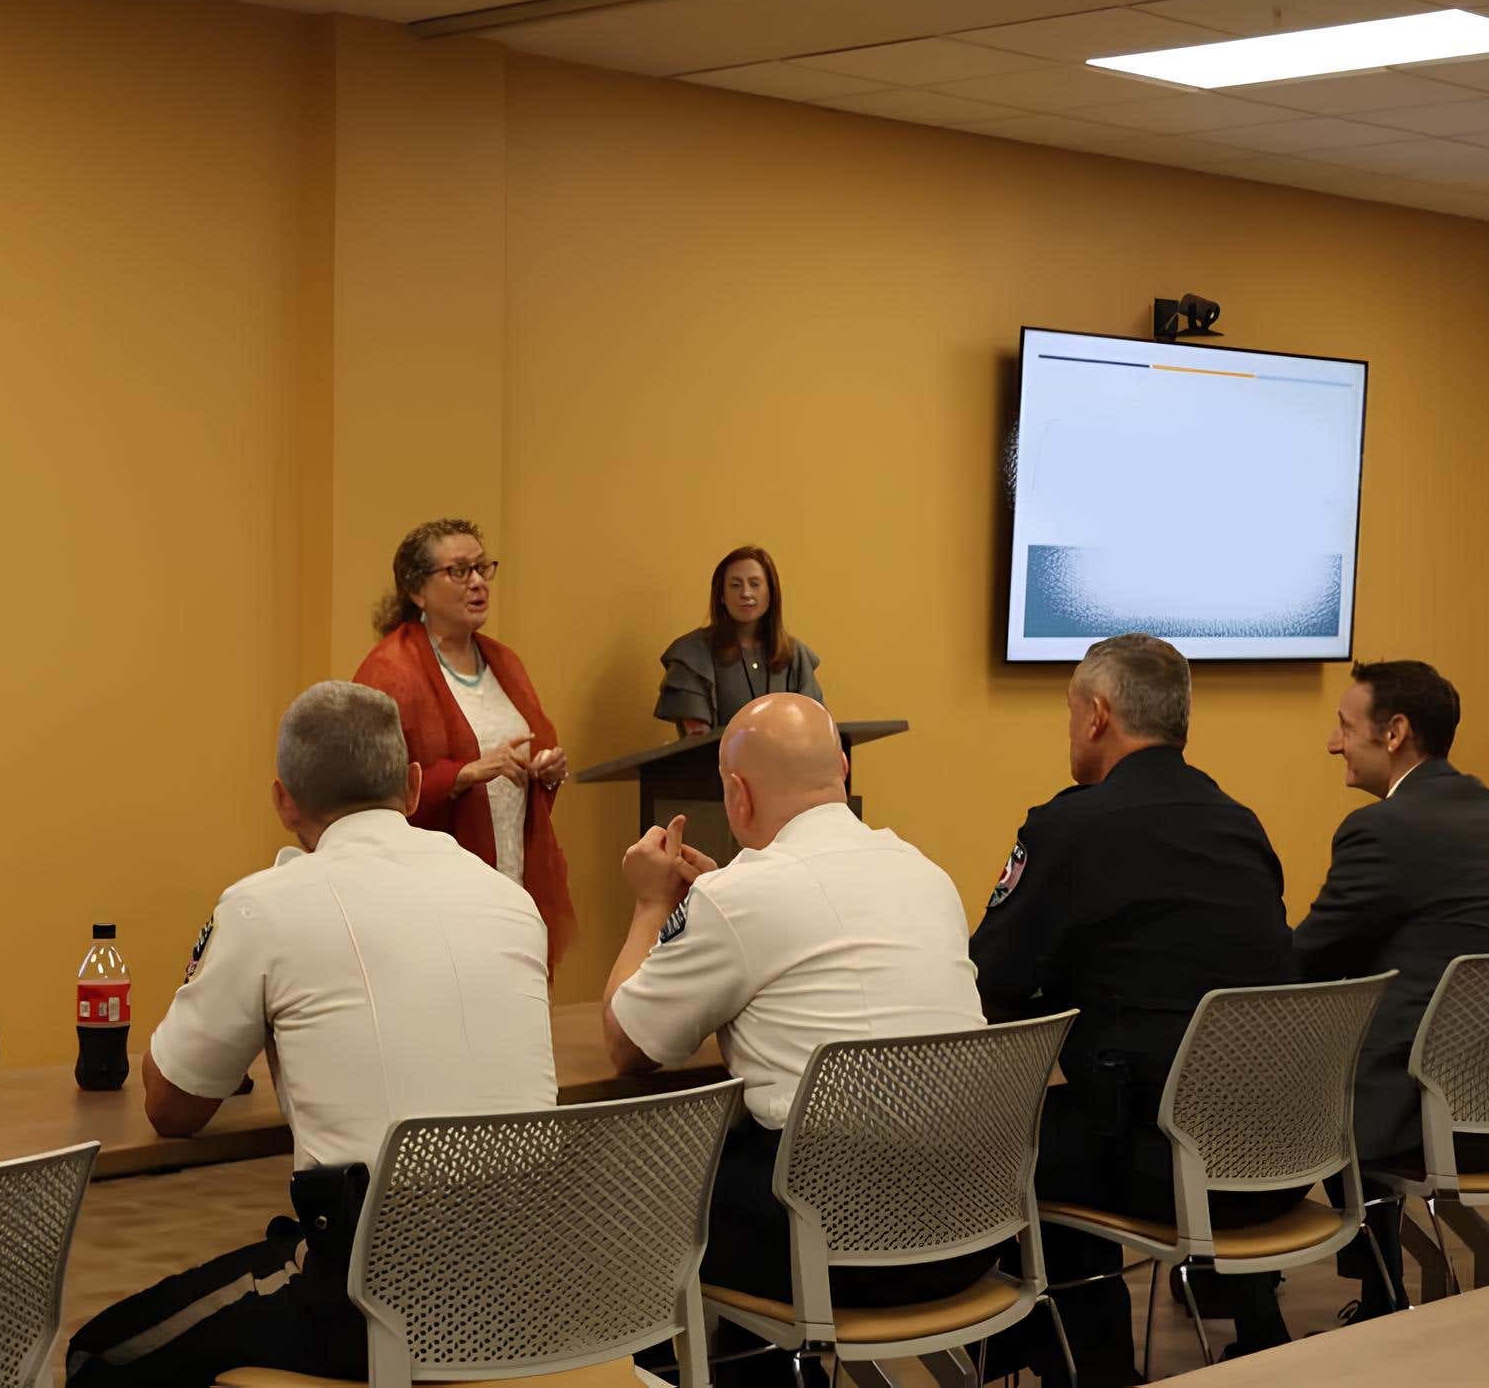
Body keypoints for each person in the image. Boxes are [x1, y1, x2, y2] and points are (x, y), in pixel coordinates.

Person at [66, 682, 556, 1385]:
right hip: (536, 1287)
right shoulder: (510, 901)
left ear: (284, 800)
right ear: (415, 787)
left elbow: (171, 1109)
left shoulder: (266, 906)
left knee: (101, 1356)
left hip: (373, 1298)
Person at [969, 634, 1301, 1378]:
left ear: (1095, 715)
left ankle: (1091, 1369)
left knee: (1009, 1149)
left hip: (1158, 1161)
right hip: (1277, 1153)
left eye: (1067, 714)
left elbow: (989, 982)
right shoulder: (1238, 823)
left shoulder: (1071, 827)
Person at [602, 694, 989, 1316]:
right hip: (972, 1225)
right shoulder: (927, 874)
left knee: (628, 1198)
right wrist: (718, 904)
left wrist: (652, 905)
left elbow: (628, 1048)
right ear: (842, 767)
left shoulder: (741, 896)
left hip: (828, 1246)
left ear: (738, 795)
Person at [1296, 659, 1489, 1318]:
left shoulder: (1382, 829)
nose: (1332, 743)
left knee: (1283, 1074)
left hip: (1434, 1120)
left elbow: (1305, 961)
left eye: (1344, 727)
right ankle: (1373, 1286)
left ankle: (1251, 1284)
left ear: (1395, 733)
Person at [352, 517, 574, 963]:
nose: (477, 583)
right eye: (458, 571)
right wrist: (461, 775)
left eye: (482, 568)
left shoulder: (503, 662)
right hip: (433, 889)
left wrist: (546, 772)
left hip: (512, 871)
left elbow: (530, 756)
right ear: (417, 590)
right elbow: (367, 790)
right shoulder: (389, 671)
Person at [655, 546, 825, 736]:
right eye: (735, 585)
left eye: (754, 584)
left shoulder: (794, 654)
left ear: (771, 592)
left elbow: (815, 732)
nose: (745, 593)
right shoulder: (692, 653)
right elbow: (697, 745)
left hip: (790, 765)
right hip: (716, 765)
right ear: (721, 595)